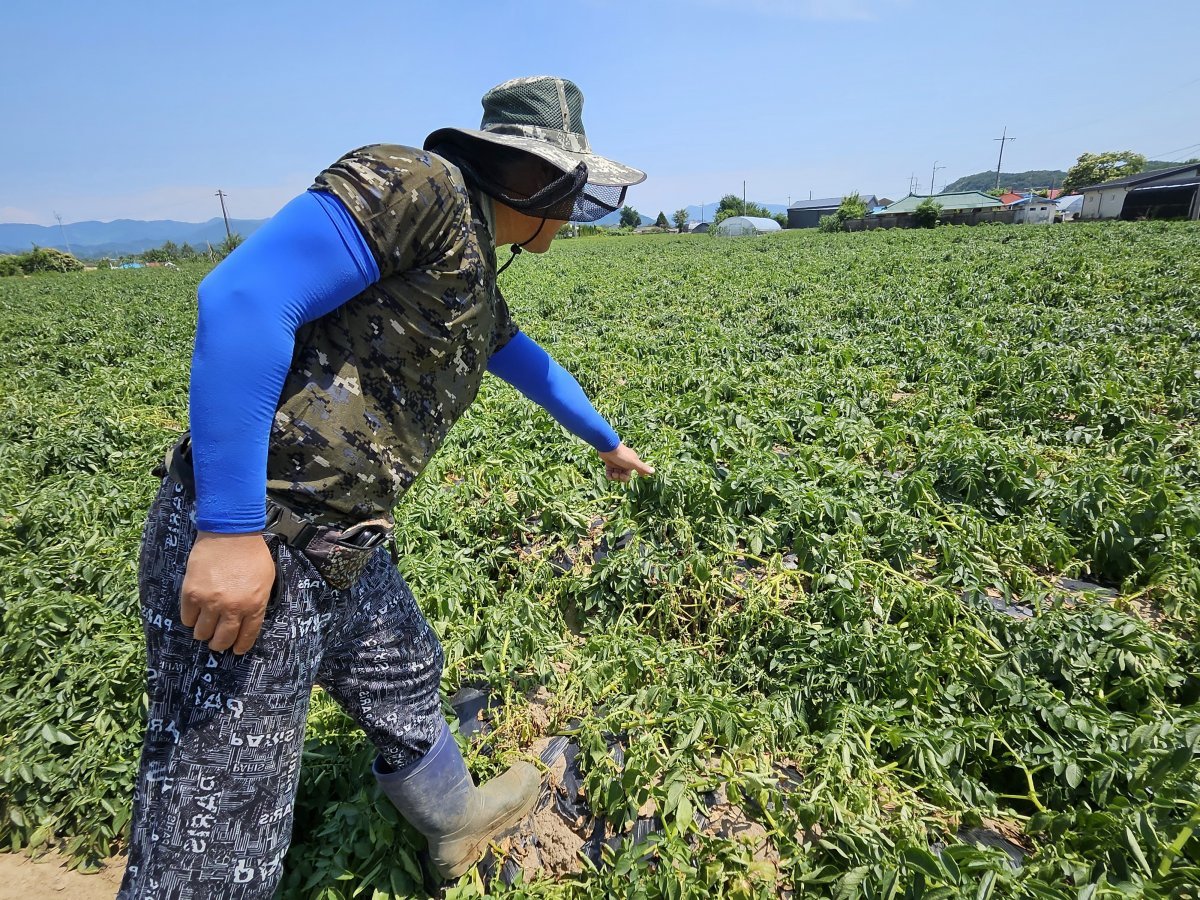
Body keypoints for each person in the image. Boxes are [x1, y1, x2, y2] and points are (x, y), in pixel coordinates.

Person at [118, 75, 653, 899]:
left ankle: (454, 821)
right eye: (571, 183)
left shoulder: (472, 270)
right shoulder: (418, 186)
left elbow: (529, 366)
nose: (579, 202)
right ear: (537, 179)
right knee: (219, 826)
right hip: (263, 542)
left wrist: (607, 441)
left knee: (403, 673)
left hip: (345, 548)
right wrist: (227, 532)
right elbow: (242, 297)